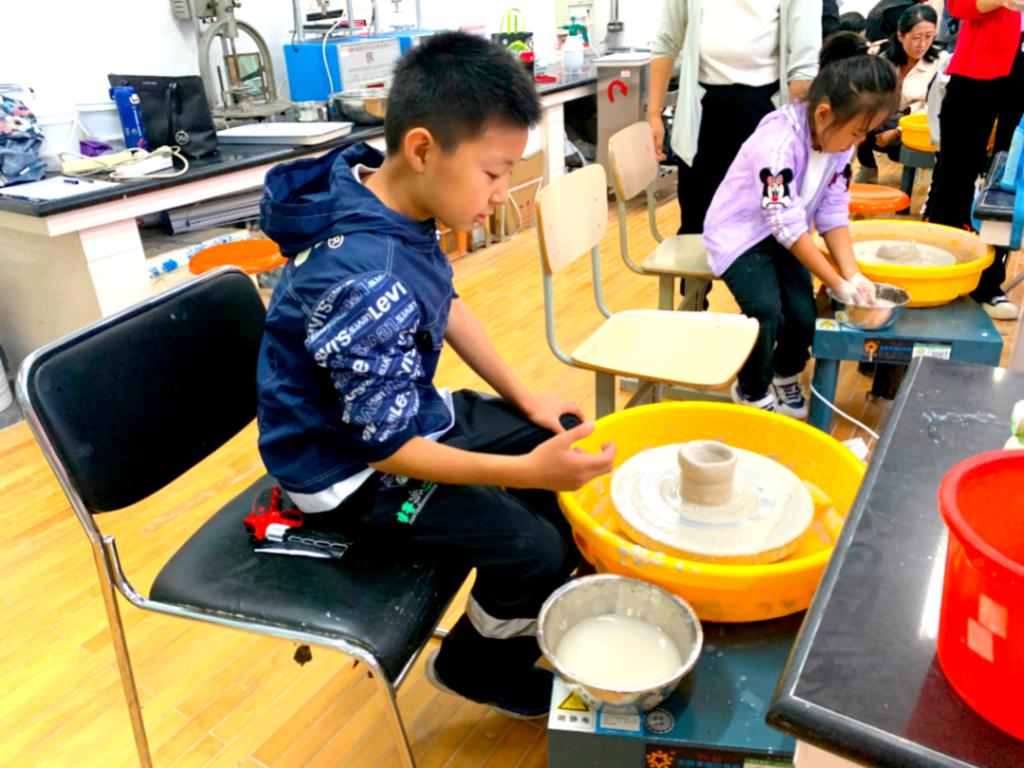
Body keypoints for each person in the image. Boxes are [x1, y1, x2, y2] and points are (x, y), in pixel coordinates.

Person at [255, 32, 615, 719]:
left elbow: (444, 299)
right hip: (346, 472)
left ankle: (517, 612)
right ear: (422, 149)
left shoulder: (384, 194)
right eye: (493, 173)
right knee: (536, 546)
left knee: (561, 440)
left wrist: (526, 398)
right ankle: (475, 667)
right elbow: (387, 450)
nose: (502, 196)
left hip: (396, 411)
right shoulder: (366, 280)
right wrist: (525, 473)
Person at [703, 33, 899, 416]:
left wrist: (852, 274)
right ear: (824, 114)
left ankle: (785, 373)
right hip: (740, 236)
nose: (858, 142)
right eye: (857, 132)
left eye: (864, 133)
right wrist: (837, 282)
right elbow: (784, 221)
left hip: (786, 237)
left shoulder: (838, 145)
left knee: (803, 314)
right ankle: (752, 390)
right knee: (766, 311)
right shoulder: (777, 143)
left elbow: (833, 208)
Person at [647, 0, 821, 303]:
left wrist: (795, 133)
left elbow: (803, 64)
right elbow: (666, 41)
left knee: (773, 217)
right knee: (696, 218)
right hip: (704, 111)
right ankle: (694, 305)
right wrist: (653, 113)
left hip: (766, 110)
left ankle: (776, 315)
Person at [926, 0, 1024, 320]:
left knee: (1011, 180)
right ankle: (939, 268)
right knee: (955, 174)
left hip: (1018, 70)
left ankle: (989, 283)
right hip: (978, 69)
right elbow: (958, 6)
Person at [856, 4, 949, 182]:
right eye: (916, 37)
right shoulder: (885, 59)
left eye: (929, 37)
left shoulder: (941, 61)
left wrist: (898, 131)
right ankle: (868, 167)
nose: (922, 44)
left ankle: (912, 175)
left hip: (918, 126)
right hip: (884, 119)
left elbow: (934, 108)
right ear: (900, 35)